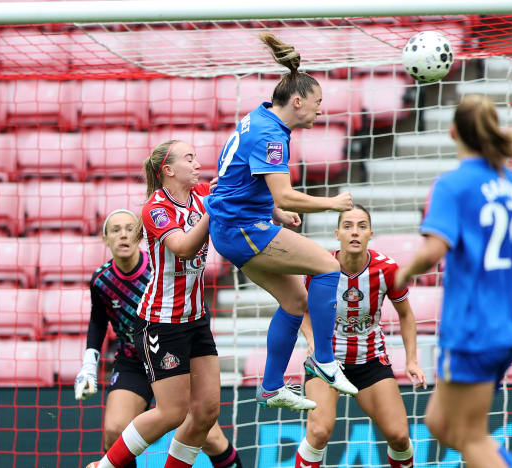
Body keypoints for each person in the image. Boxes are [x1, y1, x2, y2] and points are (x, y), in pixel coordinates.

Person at [394, 94, 512, 468]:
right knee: (439, 424)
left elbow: (434, 250)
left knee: (470, 437)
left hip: (471, 330)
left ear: (453, 132)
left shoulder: (453, 186)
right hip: (506, 328)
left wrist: (404, 272)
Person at [205, 32, 357, 411]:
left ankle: (272, 387)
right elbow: (285, 194)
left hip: (233, 225)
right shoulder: (271, 136)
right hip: (242, 229)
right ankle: (324, 360)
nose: (320, 111)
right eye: (318, 103)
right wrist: (333, 203)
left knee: (294, 301)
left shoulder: (258, 117)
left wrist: (273, 210)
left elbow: (241, 178)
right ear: (298, 101)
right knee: (328, 267)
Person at [87, 140, 222, 468]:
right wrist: (214, 210)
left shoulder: (201, 194)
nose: (197, 164)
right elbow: (184, 248)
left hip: (196, 319)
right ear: (169, 170)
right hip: (162, 322)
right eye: (189, 158)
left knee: (206, 413)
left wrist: (273, 209)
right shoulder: (155, 208)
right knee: (172, 413)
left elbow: (234, 196)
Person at [75, 208, 242, 468]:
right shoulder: (101, 280)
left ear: (139, 236)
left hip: (174, 357)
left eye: (130, 229)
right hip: (133, 360)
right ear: (105, 239)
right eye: (115, 230)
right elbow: (98, 321)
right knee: (114, 429)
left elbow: (195, 308)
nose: (123, 235)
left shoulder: (159, 271)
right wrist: (89, 364)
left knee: (209, 437)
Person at [294, 206, 427, 468]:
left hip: (370, 360)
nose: (355, 232)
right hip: (327, 361)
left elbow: (406, 315)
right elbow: (300, 308)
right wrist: (312, 341)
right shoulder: (319, 267)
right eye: (348, 226)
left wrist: (411, 360)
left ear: (370, 234)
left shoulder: (387, 269)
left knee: (399, 437)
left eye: (362, 226)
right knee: (318, 432)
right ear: (337, 234)